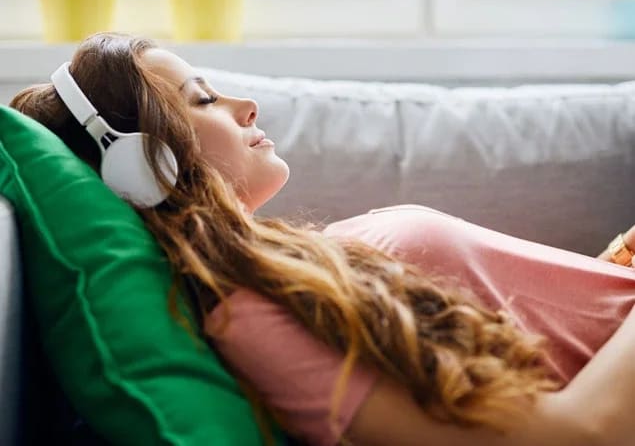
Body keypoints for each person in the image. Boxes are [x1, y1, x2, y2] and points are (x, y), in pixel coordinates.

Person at [10, 32, 635, 446]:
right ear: (144, 166)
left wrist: (598, 279)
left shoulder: (296, 273)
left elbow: (534, 344)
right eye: (202, 100)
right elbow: (585, 433)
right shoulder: (260, 321)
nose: (249, 104)